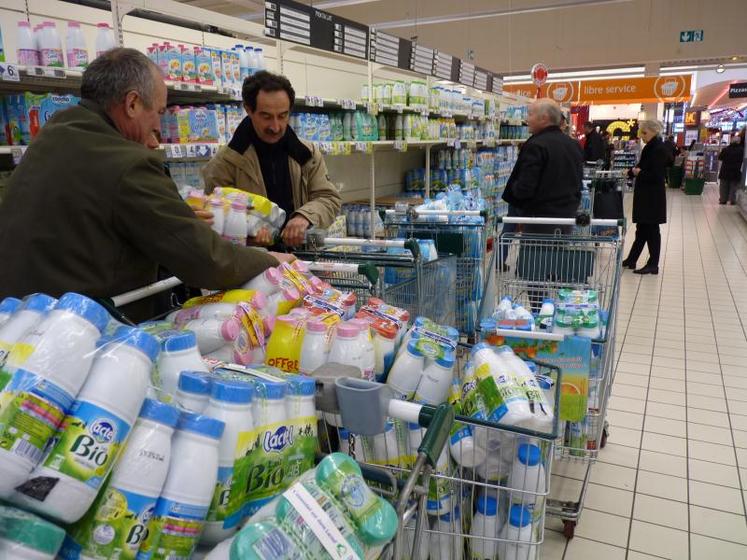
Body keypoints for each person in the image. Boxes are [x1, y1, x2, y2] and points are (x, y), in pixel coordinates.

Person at [0, 48, 290, 319]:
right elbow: (207, 261)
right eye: (160, 112)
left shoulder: (55, 134)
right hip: (78, 329)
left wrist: (175, 215)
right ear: (132, 103)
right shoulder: (128, 162)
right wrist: (270, 261)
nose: (158, 128)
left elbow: (91, 216)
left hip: (20, 319)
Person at [202, 71, 341, 247]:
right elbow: (214, 222)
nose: (275, 126)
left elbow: (328, 198)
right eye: (266, 116)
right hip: (253, 265)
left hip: (301, 260)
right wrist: (249, 237)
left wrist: (305, 216)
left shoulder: (307, 154)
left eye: (282, 116)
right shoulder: (226, 162)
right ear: (248, 109)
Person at [502, 98, 583, 222]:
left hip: (538, 218)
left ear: (544, 118)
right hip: (567, 216)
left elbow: (526, 186)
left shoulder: (536, 144)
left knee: (535, 242)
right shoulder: (573, 144)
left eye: (530, 114)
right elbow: (578, 181)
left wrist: (515, 189)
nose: (527, 119)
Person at [621, 120, 668, 275]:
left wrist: (638, 173)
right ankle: (632, 259)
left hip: (652, 197)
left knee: (652, 231)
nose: (641, 136)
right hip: (646, 195)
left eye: (645, 133)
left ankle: (653, 264)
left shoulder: (658, 149)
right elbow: (642, 165)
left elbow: (656, 175)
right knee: (642, 229)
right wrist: (630, 172)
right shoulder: (650, 147)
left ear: (654, 131)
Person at [717, 131, 745, 205]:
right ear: (738, 142)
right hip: (736, 170)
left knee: (724, 186)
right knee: (734, 186)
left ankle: (723, 200)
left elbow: (720, 158)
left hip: (725, 170)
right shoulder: (742, 150)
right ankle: (732, 200)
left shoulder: (725, 149)